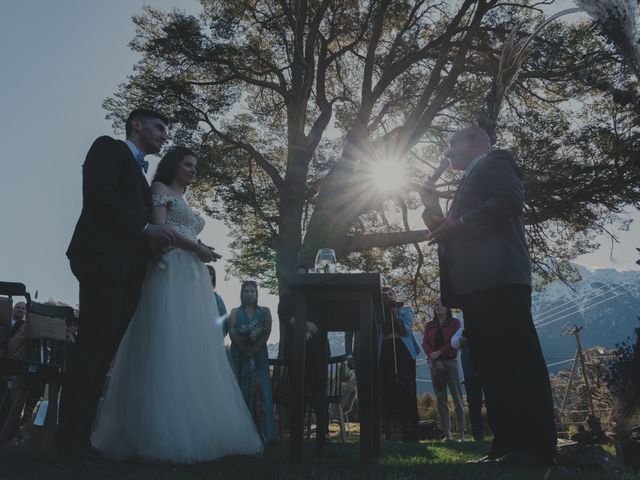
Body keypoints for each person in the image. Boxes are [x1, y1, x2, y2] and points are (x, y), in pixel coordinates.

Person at [91, 147, 263, 463]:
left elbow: (182, 230)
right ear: (174, 165)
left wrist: (200, 248)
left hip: (191, 273)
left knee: (192, 346)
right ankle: (158, 431)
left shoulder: (182, 197)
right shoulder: (159, 189)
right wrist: (197, 250)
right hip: (169, 271)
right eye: (188, 164)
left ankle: (199, 424)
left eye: (196, 165)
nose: (193, 170)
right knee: (167, 341)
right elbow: (162, 229)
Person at [420, 126, 557, 466]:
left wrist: (462, 222)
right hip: (476, 287)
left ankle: (536, 449)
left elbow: (510, 200)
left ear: (476, 141)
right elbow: (447, 232)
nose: (448, 150)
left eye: (452, 142)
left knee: (518, 363)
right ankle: (506, 448)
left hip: (501, 280)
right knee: (492, 369)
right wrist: (431, 204)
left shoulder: (494, 162)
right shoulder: (468, 180)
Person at [58, 109, 176, 457]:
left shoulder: (143, 176)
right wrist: (145, 230)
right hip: (103, 259)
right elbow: (101, 196)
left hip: (127, 266)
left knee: (104, 350)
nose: (163, 135)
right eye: (158, 127)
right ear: (136, 125)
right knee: (93, 346)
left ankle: (79, 438)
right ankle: (71, 441)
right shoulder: (107, 148)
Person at [227, 281, 277, 443]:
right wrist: (243, 347)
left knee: (261, 391)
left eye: (252, 291)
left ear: (257, 294)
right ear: (242, 294)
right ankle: (241, 433)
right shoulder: (235, 312)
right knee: (241, 389)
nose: (249, 294)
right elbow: (232, 332)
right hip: (239, 355)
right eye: (246, 291)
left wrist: (256, 347)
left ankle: (264, 432)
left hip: (259, 355)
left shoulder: (265, 312)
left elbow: (267, 330)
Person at [377, 286, 421, 442]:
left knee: (407, 388)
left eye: (391, 293)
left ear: (395, 296)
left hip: (404, 351)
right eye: (385, 294)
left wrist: (396, 315)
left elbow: (407, 331)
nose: (388, 295)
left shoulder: (406, 310)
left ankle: (410, 431)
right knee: (387, 389)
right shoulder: (378, 312)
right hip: (385, 352)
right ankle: (390, 432)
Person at [422, 298, 465, 442]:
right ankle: (447, 435)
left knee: (457, 399)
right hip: (435, 364)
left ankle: (462, 434)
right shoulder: (430, 325)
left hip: (451, 362)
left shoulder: (455, 323)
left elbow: (454, 342)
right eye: (436, 305)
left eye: (442, 304)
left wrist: (439, 353)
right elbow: (425, 343)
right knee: (441, 400)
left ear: (448, 309)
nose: (438, 307)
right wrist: (434, 358)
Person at [451, 323, 485, 441]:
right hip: (469, 373)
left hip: (487, 371)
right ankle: (478, 436)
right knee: (474, 405)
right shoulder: (464, 326)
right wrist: (462, 339)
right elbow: (454, 342)